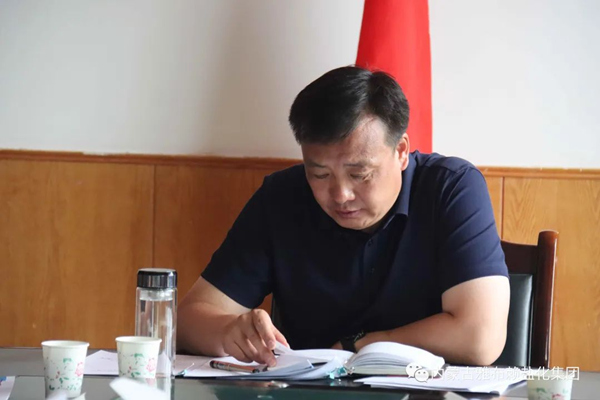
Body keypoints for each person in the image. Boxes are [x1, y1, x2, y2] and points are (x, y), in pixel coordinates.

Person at [177, 66, 510, 368]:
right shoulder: (281, 198)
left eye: (359, 174)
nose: (340, 195)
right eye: (320, 174)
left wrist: (362, 344)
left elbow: (480, 338)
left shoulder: (451, 189)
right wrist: (229, 331)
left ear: (400, 151)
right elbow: (188, 320)